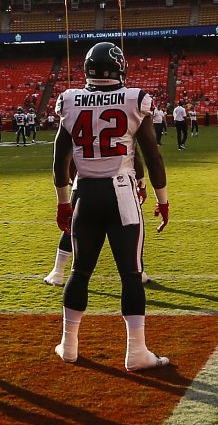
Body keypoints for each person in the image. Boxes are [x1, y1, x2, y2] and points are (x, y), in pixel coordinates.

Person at [52, 42, 171, 371]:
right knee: (131, 274)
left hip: (85, 193)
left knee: (80, 271)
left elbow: (60, 160)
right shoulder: (134, 99)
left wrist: (64, 203)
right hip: (122, 193)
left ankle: (70, 345)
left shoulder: (70, 100)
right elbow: (152, 155)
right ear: (120, 68)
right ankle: (136, 351)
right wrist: (162, 200)